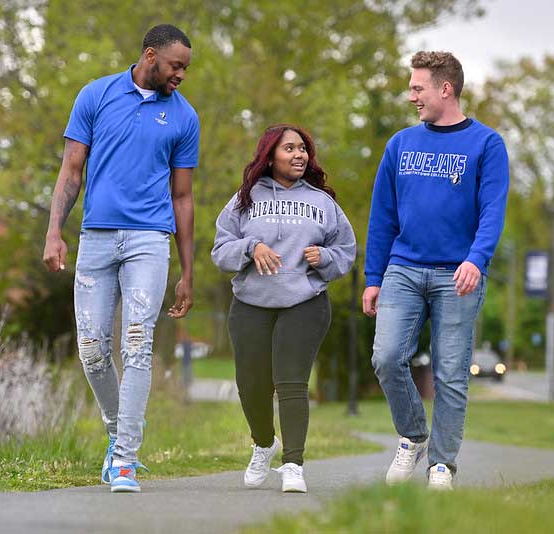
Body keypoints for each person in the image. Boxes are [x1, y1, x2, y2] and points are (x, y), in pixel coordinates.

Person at [42, 24, 199, 493]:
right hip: (95, 239)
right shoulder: (95, 95)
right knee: (91, 350)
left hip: (150, 241)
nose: (181, 75)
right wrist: (54, 232)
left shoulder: (184, 117)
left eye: (186, 68)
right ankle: (119, 434)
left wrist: (187, 271)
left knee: (136, 343)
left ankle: (126, 459)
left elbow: (184, 197)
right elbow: (72, 171)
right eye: (176, 66)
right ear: (150, 55)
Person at [362, 51, 509, 490]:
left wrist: (476, 259)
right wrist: (373, 277)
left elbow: (492, 211)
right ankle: (413, 436)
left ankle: (442, 465)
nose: (411, 97)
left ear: (446, 88)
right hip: (403, 270)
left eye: (417, 88)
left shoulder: (487, 144)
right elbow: (382, 215)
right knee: (386, 357)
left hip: (457, 277)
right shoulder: (400, 145)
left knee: (450, 373)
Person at [212, 125, 356, 493]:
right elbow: (220, 250)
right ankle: (264, 443)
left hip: (304, 303)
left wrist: (323, 256)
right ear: (270, 155)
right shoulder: (245, 199)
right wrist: (250, 247)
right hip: (250, 304)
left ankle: (293, 463)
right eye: (289, 148)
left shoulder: (323, 203)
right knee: (251, 386)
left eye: (303, 149)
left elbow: (345, 252)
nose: (299, 155)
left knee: (291, 382)